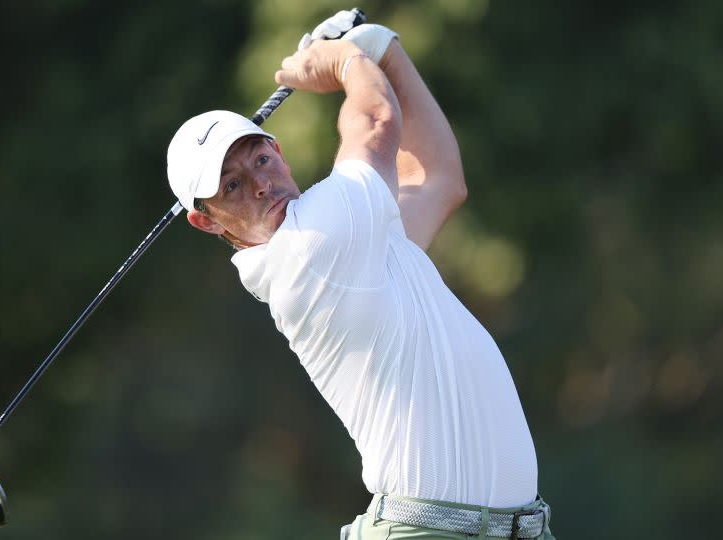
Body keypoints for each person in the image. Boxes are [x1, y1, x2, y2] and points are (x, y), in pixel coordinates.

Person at [166, 11, 555, 540]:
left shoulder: (356, 241)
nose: (259, 184)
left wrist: (386, 53)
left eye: (259, 159)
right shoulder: (307, 251)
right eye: (231, 187)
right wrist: (347, 60)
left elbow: (438, 177)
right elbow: (375, 121)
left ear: (277, 150)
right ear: (205, 221)